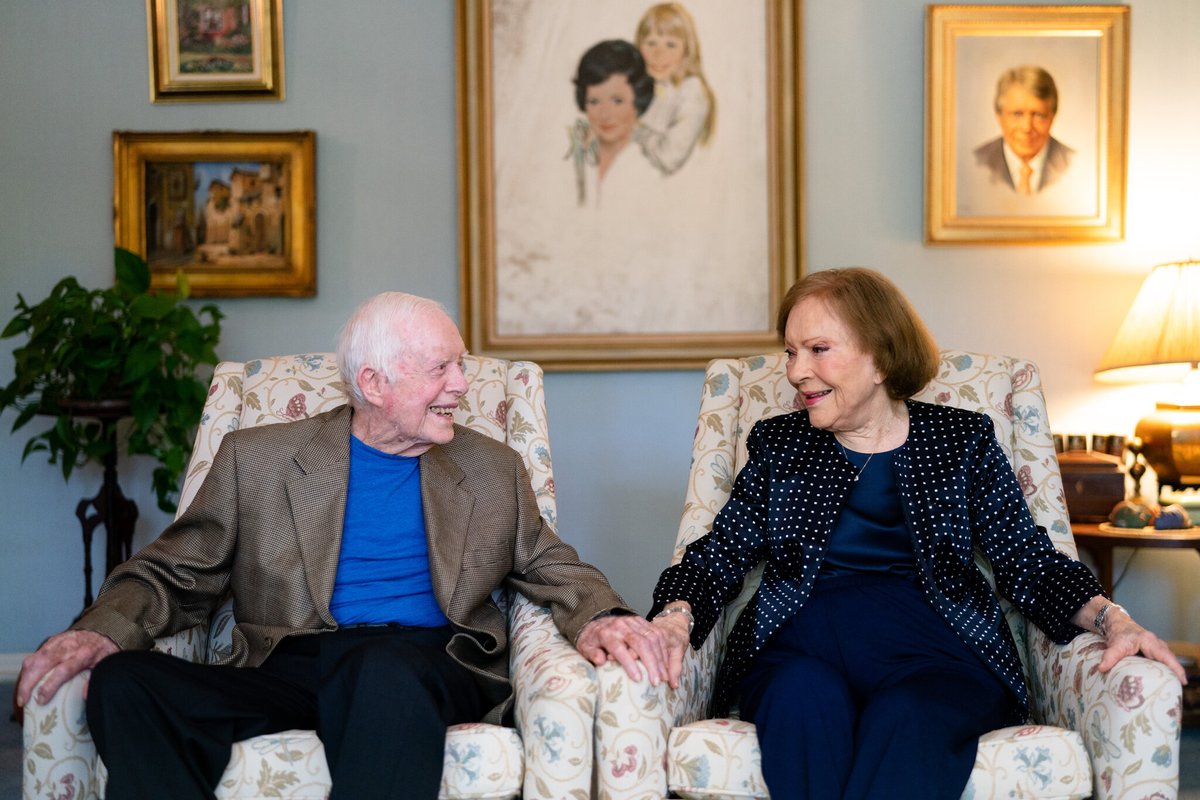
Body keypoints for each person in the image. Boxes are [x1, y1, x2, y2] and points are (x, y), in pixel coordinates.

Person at [16, 291, 670, 800]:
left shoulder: (491, 467)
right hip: (292, 660)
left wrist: (602, 619)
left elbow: (550, 562)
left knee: (379, 671)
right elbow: (170, 573)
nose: (462, 386)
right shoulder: (258, 460)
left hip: (427, 661)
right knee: (126, 684)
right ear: (375, 383)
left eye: (461, 366)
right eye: (440, 368)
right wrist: (102, 632)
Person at [639, 268, 1188, 799]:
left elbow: (1028, 563)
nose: (795, 371)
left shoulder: (960, 439)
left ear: (879, 357)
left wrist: (1113, 619)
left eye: (818, 349)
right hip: (801, 648)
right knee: (801, 702)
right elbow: (719, 556)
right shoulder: (780, 444)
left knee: (910, 716)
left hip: (939, 653)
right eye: (790, 352)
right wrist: (673, 618)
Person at [566, 39, 656, 206]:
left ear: (638, 99)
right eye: (594, 101)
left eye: (617, 101)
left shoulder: (651, 166)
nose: (605, 115)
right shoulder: (576, 160)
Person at [633, 2, 716, 176]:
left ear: (687, 50)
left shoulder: (691, 91)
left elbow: (669, 158)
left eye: (670, 45)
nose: (659, 54)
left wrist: (635, 132)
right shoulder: (648, 86)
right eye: (651, 43)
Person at [974, 65, 1074, 194]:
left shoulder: (1075, 165)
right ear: (999, 116)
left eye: (1038, 115)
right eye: (1017, 114)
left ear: (1052, 117)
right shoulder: (977, 162)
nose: (1027, 128)